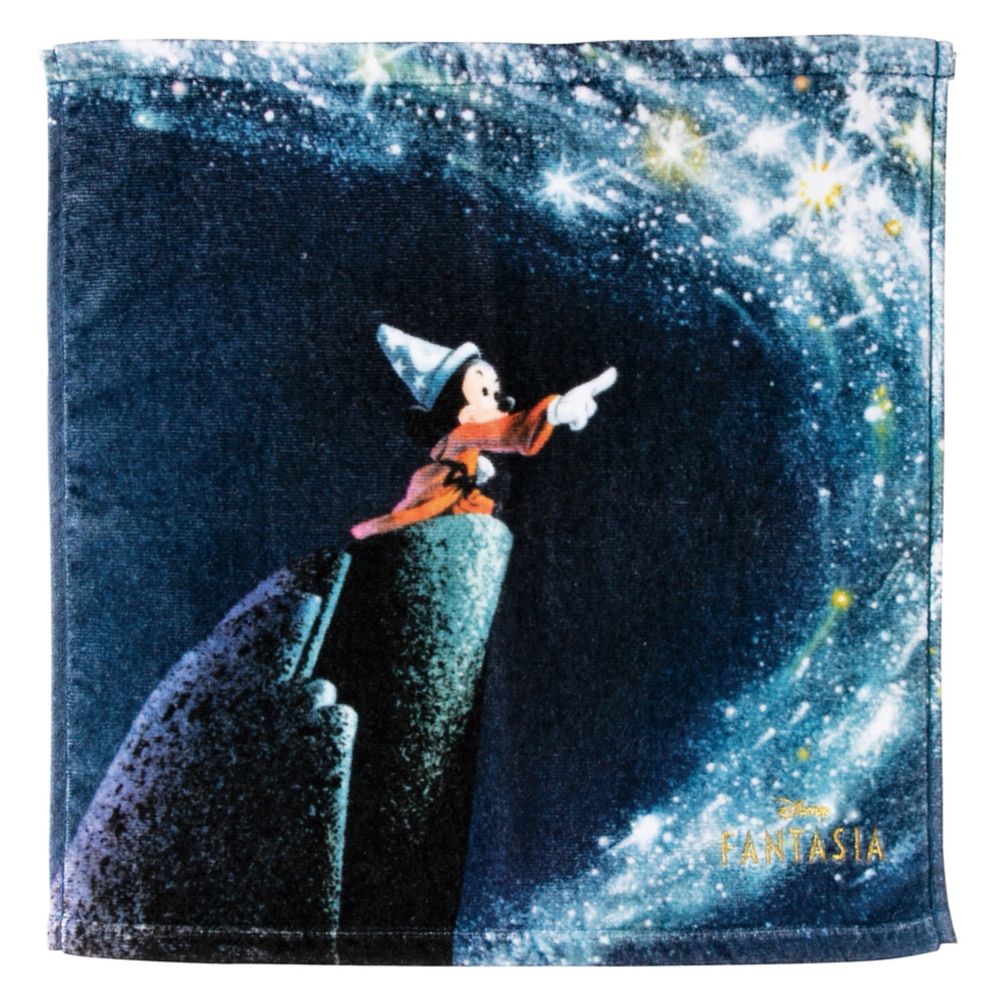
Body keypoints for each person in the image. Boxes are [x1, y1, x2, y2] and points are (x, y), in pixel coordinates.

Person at [350, 324, 617, 540]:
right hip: (441, 501)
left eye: (495, 390)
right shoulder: (464, 435)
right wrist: (554, 410)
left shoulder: (455, 444)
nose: (501, 401)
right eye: (485, 392)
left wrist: (472, 467)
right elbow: (504, 432)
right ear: (461, 411)